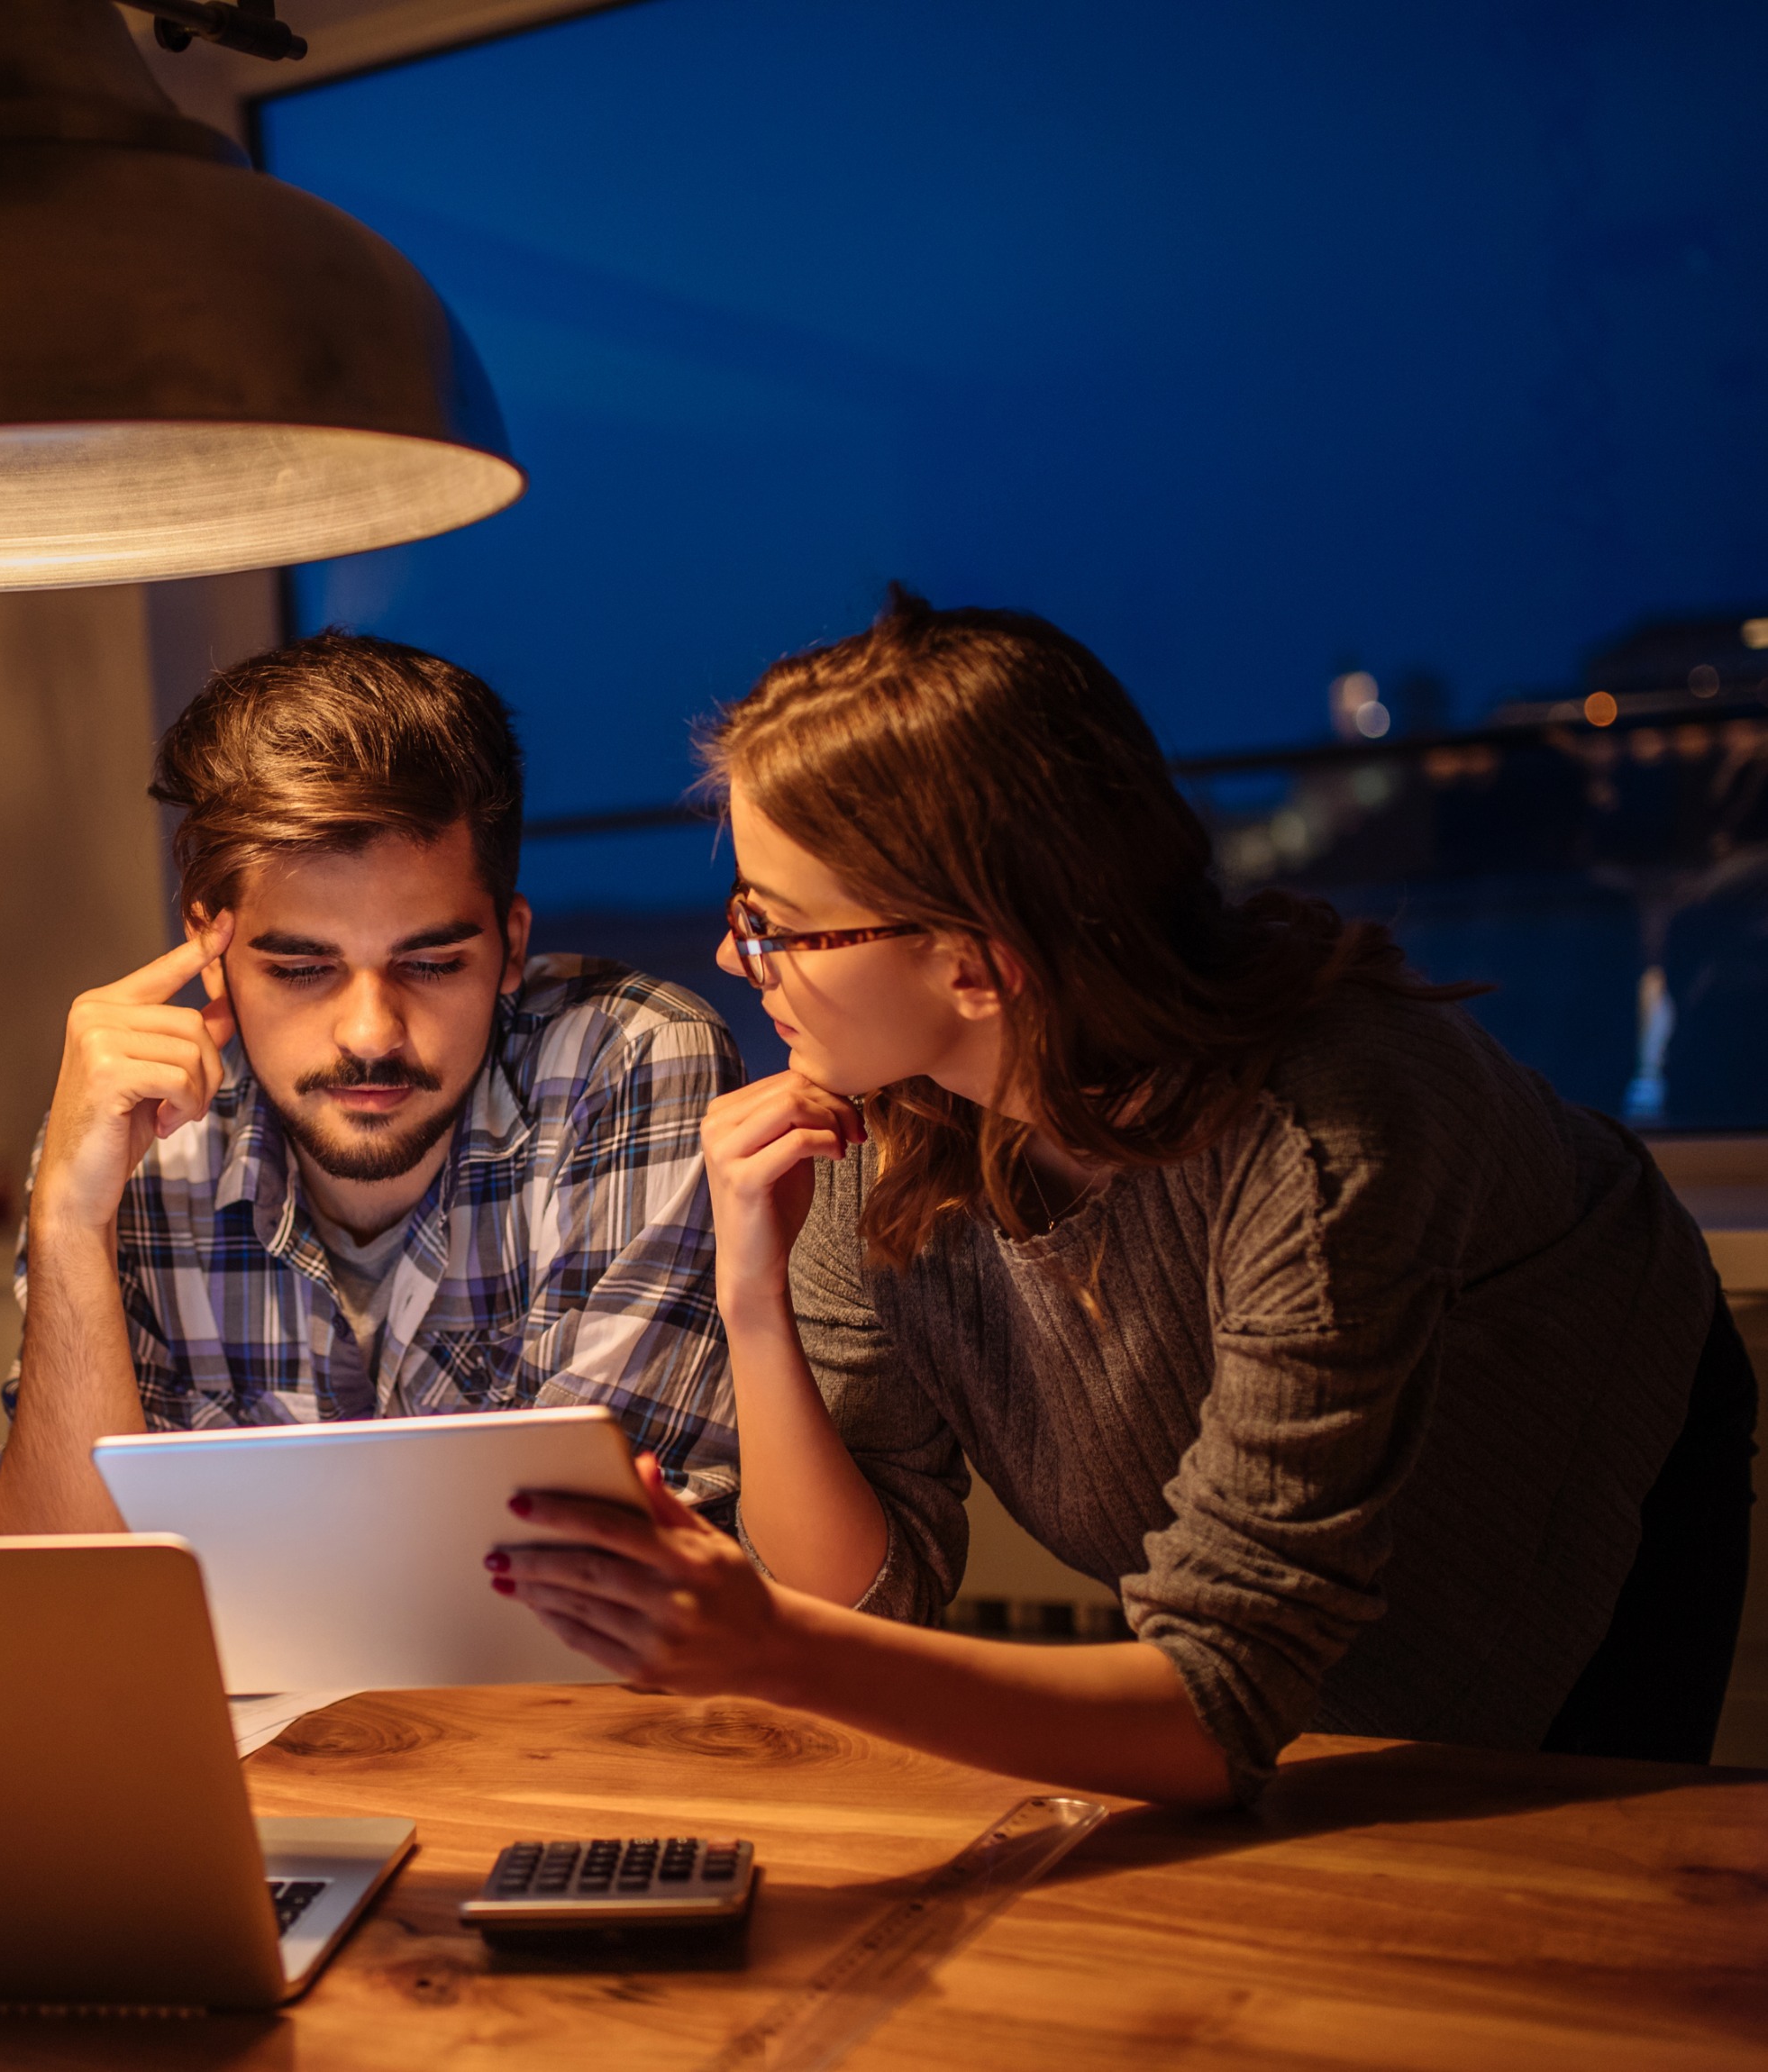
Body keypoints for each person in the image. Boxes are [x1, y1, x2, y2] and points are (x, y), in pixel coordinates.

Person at [488, 588, 1756, 1807]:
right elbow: (859, 1605)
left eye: (773, 924)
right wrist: (750, 1296)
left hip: (1579, 1448)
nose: (729, 955)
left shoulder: (1324, 1136)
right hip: (1265, 1641)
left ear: (977, 964)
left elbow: (1215, 1701)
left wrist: (766, 1651)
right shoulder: (877, 1119)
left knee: (1536, 1886)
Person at [0, 631, 740, 1537]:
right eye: (302, 968)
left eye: (434, 961)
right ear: (211, 953)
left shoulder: (624, 1063)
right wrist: (66, 1219)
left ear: (511, 945)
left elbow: (607, 1577)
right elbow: (71, 1600)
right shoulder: (134, 1137)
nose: (371, 1030)